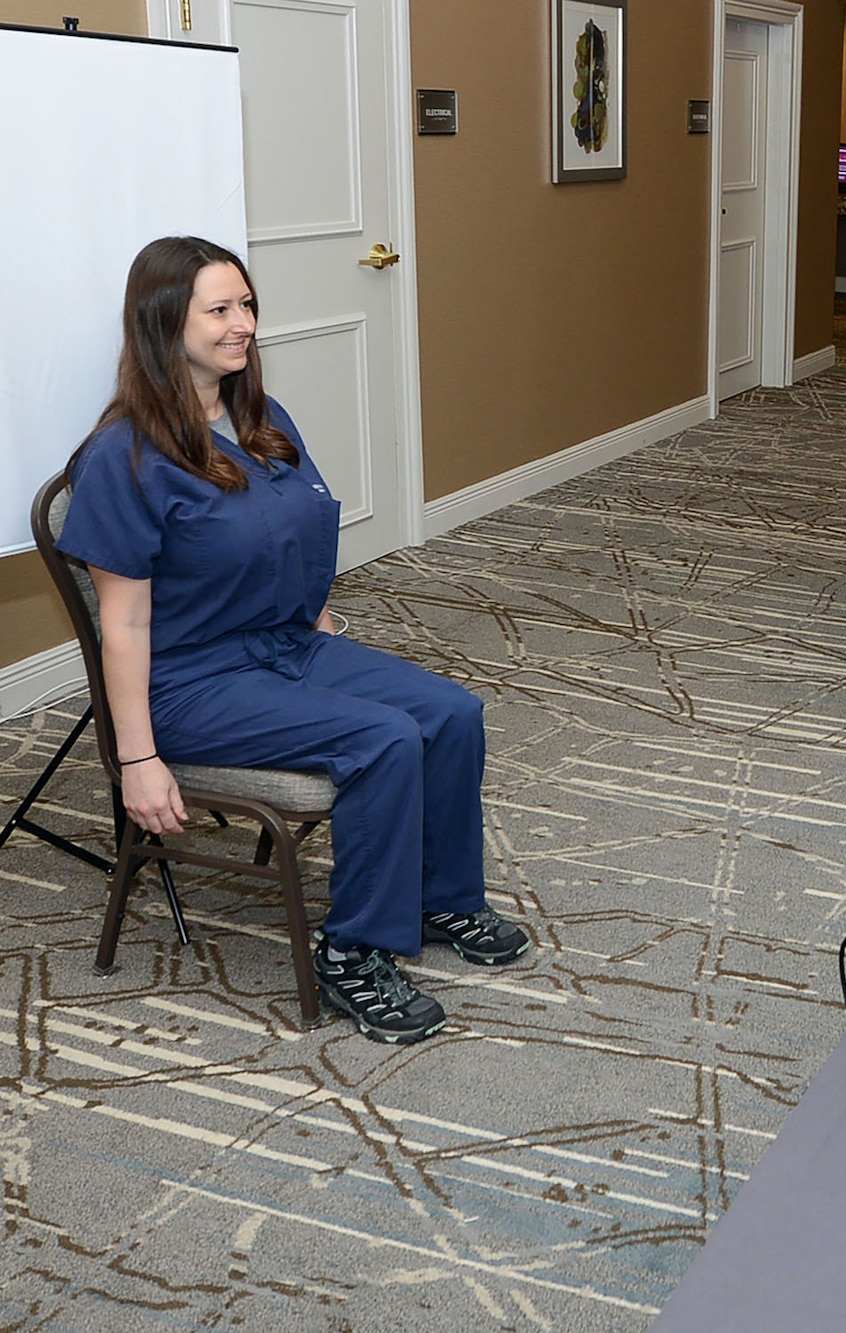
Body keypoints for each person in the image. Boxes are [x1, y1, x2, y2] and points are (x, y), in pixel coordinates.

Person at [58, 236, 530, 1045]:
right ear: (164, 323)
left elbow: (292, 530)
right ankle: (354, 953)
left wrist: (319, 628)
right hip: (192, 683)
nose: (243, 324)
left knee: (451, 712)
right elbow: (125, 625)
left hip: (285, 643)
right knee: (383, 740)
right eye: (220, 310)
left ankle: (441, 895)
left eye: (247, 306)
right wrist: (135, 759)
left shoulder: (261, 419)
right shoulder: (124, 458)